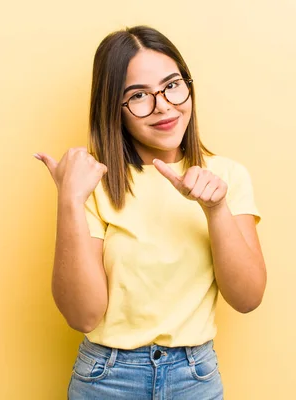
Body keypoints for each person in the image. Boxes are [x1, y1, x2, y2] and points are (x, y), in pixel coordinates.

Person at [34, 25, 267, 400]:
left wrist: (216, 209)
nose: (163, 106)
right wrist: (69, 201)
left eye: (172, 85)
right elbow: (83, 316)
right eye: (139, 95)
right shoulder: (95, 183)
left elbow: (247, 298)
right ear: (114, 109)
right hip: (107, 379)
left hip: (195, 378)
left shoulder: (226, 176)